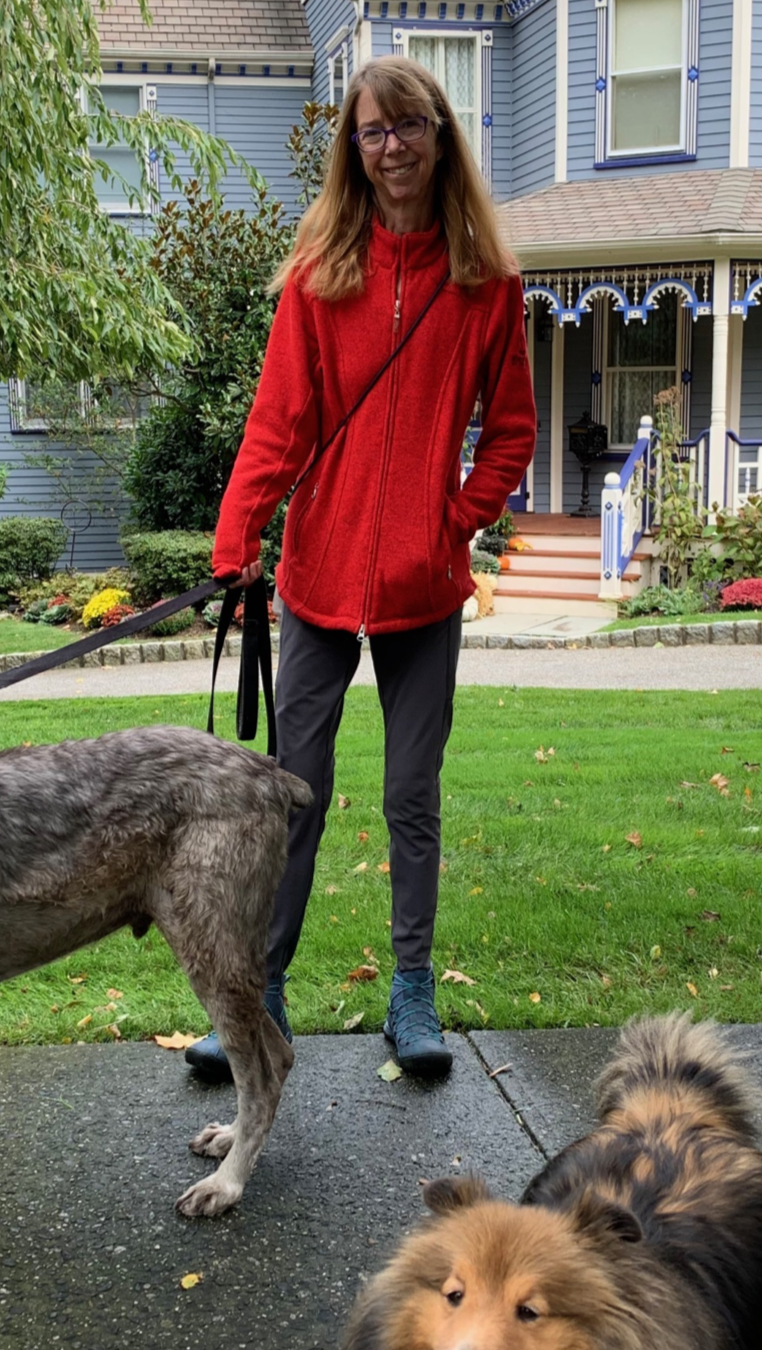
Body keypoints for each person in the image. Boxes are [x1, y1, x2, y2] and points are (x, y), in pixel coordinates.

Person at [185, 54, 537, 1085]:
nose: (391, 148)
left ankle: (411, 988)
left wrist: (453, 520)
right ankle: (259, 993)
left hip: (424, 588)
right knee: (289, 794)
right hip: (319, 579)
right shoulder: (319, 274)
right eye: (371, 132)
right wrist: (237, 534)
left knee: (410, 794)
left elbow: (511, 432)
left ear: (441, 135)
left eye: (407, 127)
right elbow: (279, 420)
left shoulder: (485, 283)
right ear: (354, 147)